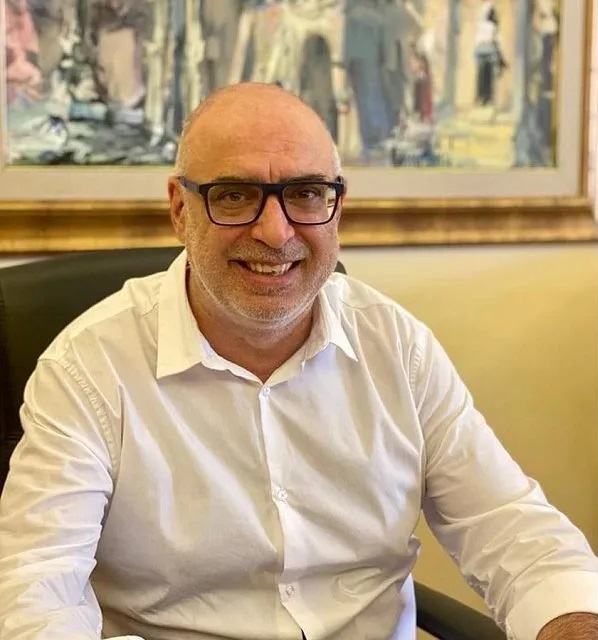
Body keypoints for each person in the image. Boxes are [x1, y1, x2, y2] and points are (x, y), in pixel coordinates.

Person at [0, 82, 597, 640]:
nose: (275, 231)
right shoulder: (89, 368)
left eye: (306, 194)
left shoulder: (397, 346)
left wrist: (570, 623)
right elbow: (36, 596)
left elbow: (513, 529)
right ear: (180, 208)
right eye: (235, 196)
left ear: (338, 206)